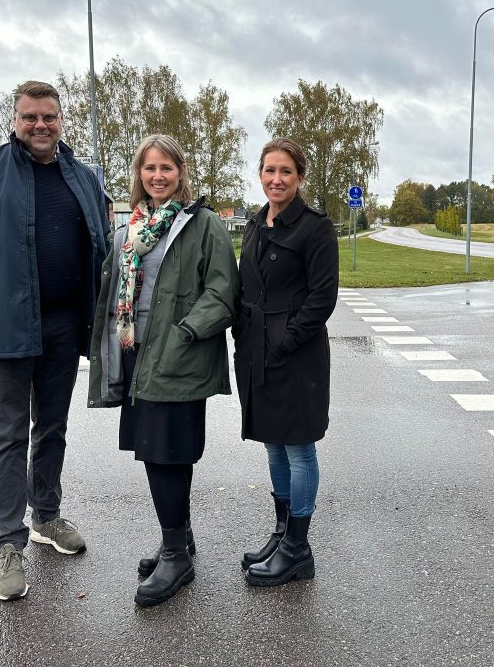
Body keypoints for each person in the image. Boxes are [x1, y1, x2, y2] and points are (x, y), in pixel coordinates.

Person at [0, 80, 109, 602]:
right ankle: (9, 544)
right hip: (7, 327)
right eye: (30, 117)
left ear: (61, 120)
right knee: (8, 435)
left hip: (62, 327)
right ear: (15, 119)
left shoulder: (84, 176)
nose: (40, 125)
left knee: (52, 427)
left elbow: (104, 246)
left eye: (48, 117)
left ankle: (47, 517)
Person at [87, 133, 239, 607]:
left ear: (181, 173)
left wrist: (186, 333)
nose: (157, 176)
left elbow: (222, 291)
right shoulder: (132, 226)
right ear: (139, 173)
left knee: (167, 452)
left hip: (178, 356)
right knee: (156, 451)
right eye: (149, 168)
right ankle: (179, 538)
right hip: (137, 354)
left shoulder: (203, 224)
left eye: (167, 168)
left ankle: (177, 555)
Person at [235, 137, 339, 587]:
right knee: (273, 443)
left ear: (300, 178)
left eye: (286, 172)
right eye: (269, 171)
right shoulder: (257, 223)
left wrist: (286, 340)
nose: (276, 180)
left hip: (296, 353)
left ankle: (299, 548)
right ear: (260, 174)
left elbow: (323, 298)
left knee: (299, 448)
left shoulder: (315, 228)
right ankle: (281, 534)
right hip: (255, 349)